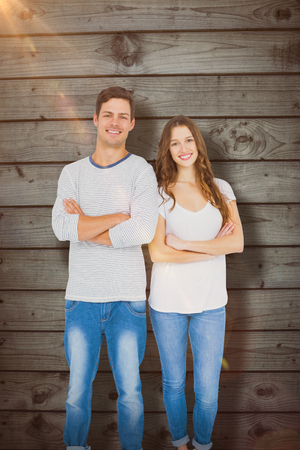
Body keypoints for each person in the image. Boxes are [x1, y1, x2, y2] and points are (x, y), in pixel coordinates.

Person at [52, 86, 158, 450]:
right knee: (76, 391)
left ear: (132, 124)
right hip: (81, 299)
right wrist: (115, 217)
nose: (115, 122)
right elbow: (62, 228)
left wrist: (87, 225)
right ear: (96, 119)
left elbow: (142, 230)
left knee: (130, 391)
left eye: (122, 116)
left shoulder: (142, 171)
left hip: (127, 300)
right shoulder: (72, 173)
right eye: (108, 115)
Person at [148, 115, 244, 450]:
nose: (182, 148)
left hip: (210, 304)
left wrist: (186, 244)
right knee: (173, 383)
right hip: (167, 305)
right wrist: (211, 248)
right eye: (174, 142)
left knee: (207, 391)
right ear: (167, 150)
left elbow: (236, 244)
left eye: (188, 140)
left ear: (198, 144)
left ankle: (202, 444)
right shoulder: (160, 194)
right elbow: (158, 253)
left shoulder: (222, 190)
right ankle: (179, 443)